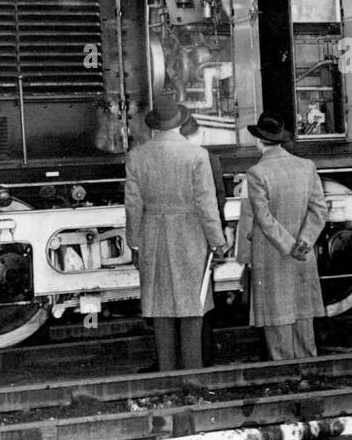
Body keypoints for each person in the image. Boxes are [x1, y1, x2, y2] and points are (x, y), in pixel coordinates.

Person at [125, 97, 227, 371]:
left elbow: (133, 206)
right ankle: (193, 375)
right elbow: (207, 204)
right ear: (180, 123)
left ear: (155, 127)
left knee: (160, 308)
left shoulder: (136, 156)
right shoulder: (197, 156)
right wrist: (218, 242)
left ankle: (166, 373)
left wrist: (134, 245)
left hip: (152, 236)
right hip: (190, 236)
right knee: (193, 306)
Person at [238, 112, 329, 360]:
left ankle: (284, 371)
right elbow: (319, 209)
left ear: (259, 141)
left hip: (272, 254)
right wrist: (304, 242)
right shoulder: (306, 166)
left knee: (277, 315)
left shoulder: (257, 172)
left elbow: (264, 220)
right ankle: (307, 366)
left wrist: (289, 246)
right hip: (303, 253)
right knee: (302, 314)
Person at [179, 111, 226, 364]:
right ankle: (203, 355)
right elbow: (217, 200)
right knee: (202, 298)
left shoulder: (162, 156)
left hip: (171, 239)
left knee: (170, 300)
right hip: (200, 238)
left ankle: (174, 359)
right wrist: (215, 238)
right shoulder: (208, 158)